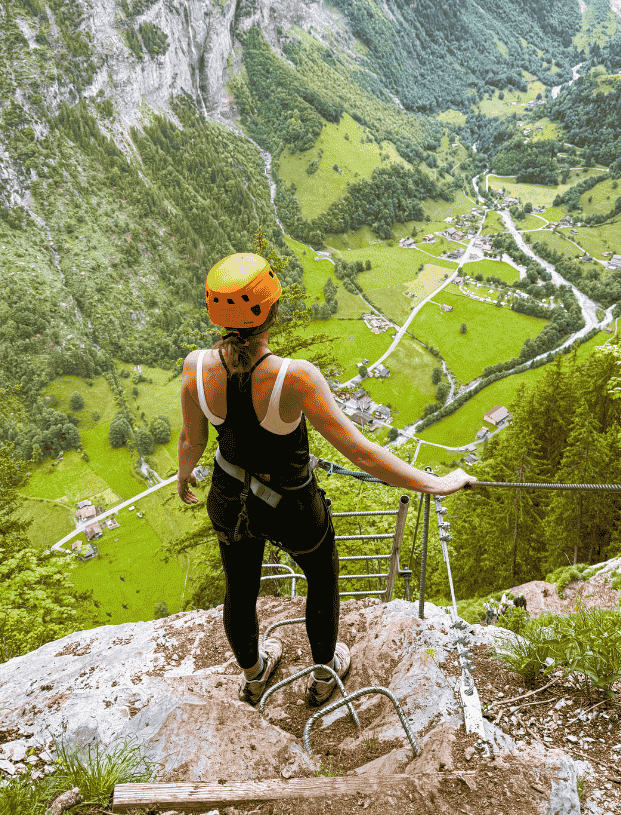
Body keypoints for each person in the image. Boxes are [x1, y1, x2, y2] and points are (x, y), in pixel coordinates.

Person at [177, 253, 476, 707]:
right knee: (321, 577)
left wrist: (183, 475)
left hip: (227, 495)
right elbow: (361, 452)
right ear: (273, 310)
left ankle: (254, 677)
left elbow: (191, 439)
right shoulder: (294, 378)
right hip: (292, 505)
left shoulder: (196, 368)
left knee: (240, 587)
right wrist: (433, 483)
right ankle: (322, 677)